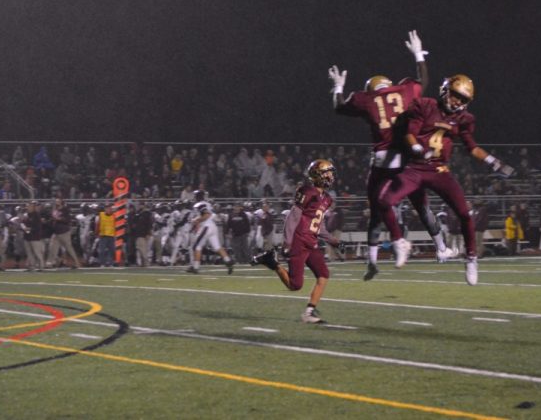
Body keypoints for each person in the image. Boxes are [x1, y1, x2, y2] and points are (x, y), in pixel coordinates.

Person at [329, 29, 456, 281]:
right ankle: (441, 248)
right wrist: (419, 54)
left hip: (383, 159)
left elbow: (339, 106)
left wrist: (338, 87)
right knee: (421, 205)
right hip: (409, 157)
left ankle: (377, 257)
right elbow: (424, 80)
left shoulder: (367, 99)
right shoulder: (405, 90)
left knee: (378, 209)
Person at [377, 75, 514, 286]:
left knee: (465, 215)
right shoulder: (425, 105)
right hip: (415, 167)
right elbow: (410, 133)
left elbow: (472, 147)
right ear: (445, 90)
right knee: (384, 201)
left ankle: (471, 258)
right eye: (456, 95)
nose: (458, 102)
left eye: (462, 99)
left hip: (439, 170)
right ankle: (399, 241)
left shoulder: (464, 119)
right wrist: (417, 149)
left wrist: (493, 162)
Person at [252, 159, 344, 323]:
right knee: (295, 285)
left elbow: (320, 226)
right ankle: (271, 262)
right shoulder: (307, 191)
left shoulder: (327, 199)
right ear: (318, 175)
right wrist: (287, 242)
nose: (331, 176)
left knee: (323, 274)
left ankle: (309, 313)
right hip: (298, 241)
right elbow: (293, 217)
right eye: (327, 172)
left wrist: (334, 241)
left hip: (311, 242)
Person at [186, 202, 235, 274]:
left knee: (197, 247)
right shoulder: (206, 206)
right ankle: (228, 261)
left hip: (206, 227)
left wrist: (196, 220)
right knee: (217, 247)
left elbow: (206, 215)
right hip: (212, 227)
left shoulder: (202, 206)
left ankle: (195, 267)